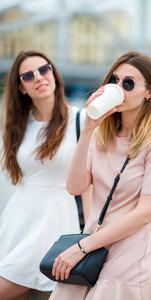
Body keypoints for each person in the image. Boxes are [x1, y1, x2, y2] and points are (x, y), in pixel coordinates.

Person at [49, 50, 151, 300]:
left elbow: (145, 214)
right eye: (113, 81)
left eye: (128, 83)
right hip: (91, 246)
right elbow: (74, 186)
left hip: (128, 255)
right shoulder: (101, 136)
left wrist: (81, 246)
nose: (118, 88)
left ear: (150, 92)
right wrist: (88, 130)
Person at [0, 50, 91, 300]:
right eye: (28, 76)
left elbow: (87, 184)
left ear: (54, 73)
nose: (38, 77)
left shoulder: (81, 120)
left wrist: (90, 237)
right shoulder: (18, 124)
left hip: (54, 220)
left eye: (44, 69)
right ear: (21, 88)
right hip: (18, 219)